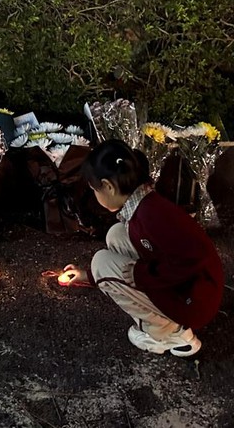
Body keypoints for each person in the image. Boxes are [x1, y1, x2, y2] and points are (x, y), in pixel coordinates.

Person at [64, 139, 224, 357]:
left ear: (108, 186)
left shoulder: (152, 215)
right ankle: (168, 323)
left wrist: (140, 275)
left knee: (101, 262)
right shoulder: (144, 204)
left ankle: (170, 334)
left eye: (95, 190)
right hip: (189, 287)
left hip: (193, 301)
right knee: (117, 234)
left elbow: (191, 259)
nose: (95, 196)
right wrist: (86, 276)